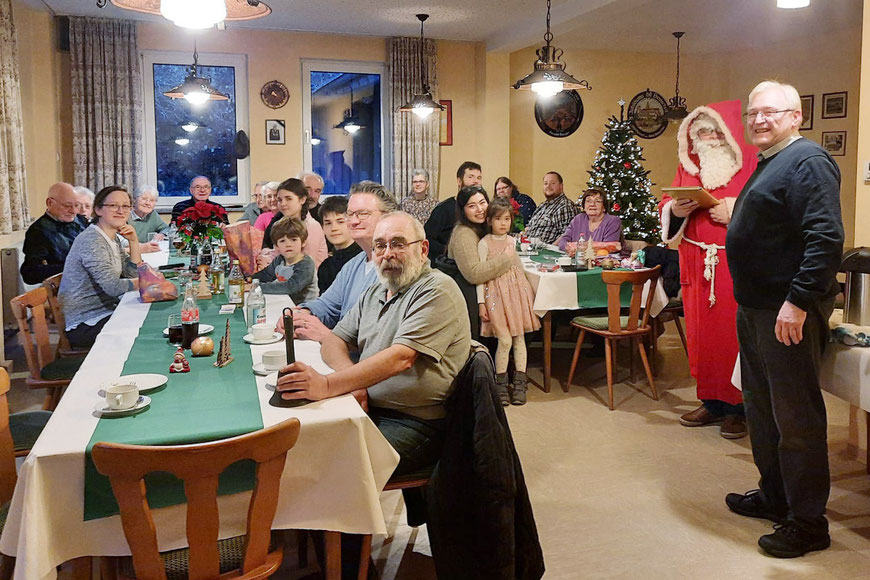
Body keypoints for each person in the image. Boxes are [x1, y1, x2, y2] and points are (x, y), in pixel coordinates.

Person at [725, 81, 844, 558]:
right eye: (753, 112)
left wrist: (796, 301)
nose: (758, 120)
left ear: (796, 116)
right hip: (755, 309)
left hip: (785, 312)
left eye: (770, 112)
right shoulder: (771, 161)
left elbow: (825, 238)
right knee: (761, 409)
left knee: (796, 419)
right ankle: (776, 497)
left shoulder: (809, 162)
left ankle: (808, 522)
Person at [276, 211, 470, 475]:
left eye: (398, 244)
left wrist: (329, 384)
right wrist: (353, 383)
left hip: (415, 421)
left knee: (330, 470)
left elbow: (402, 358)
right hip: (367, 407)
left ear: (423, 249)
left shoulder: (437, 289)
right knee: (295, 447)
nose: (387, 253)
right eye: (380, 245)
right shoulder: (378, 289)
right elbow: (334, 339)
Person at [659, 100, 758, 439]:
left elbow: (769, 208)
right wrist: (676, 206)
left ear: (728, 132)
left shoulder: (751, 166)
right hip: (697, 263)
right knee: (701, 335)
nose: (708, 137)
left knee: (734, 335)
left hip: (734, 265)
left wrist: (735, 210)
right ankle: (711, 400)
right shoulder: (689, 167)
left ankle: (739, 408)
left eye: (715, 130)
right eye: (701, 131)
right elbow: (667, 205)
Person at [277, 183, 399, 342]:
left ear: (387, 217)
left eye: (362, 214)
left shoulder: (397, 267)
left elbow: (381, 335)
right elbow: (327, 305)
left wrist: (329, 337)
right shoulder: (354, 265)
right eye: (350, 214)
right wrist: (301, 313)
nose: (354, 221)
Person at [59, 185, 141, 349]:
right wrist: (146, 282)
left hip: (107, 311)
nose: (120, 210)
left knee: (146, 319)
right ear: (98, 209)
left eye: (125, 206)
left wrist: (134, 241)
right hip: (86, 323)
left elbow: (131, 273)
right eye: (113, 205)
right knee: (143, 330)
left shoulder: (113, 237)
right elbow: (113, 287)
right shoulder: (92, 240)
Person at [477, 199, 540, 405]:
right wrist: (481, 303)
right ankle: (500, 384)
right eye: (498, 219)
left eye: (507, 219)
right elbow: (480, 275)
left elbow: (518, 266)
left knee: (519, 338)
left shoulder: (512, 242)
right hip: (495, 296)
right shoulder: (484, 243)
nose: (503, 223)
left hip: (515, 295)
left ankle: (520, 383)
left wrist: (529, 293)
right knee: (504, 340)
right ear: (489, 220)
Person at [446, 186, 513, 339]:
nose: (480, 209)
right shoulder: (464, 233)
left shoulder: (480, 227)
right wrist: (506, 258)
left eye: (482, 202)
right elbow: (474, 274)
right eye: (472, 206)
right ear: (463, 210)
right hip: (465, 293)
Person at [20, 182, 86, 284]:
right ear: (50, 203)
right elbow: (30, 274)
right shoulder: (38, 231)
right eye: (67, 206)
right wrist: (73, 266)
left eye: (76, 205)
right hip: (64, 289)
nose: (73, 211)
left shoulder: (81, 221)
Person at [258, 178, 328, 267]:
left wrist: (270, 264)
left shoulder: (312, 226)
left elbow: (305, 265)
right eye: (280, 200)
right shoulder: (281, 223)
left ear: (302, 200)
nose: (283, 204)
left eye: (288, 199)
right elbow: (277, 253)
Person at [253, 216, 318, 304]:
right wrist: (249, 280)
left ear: (303, 242)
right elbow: (266, 275)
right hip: (283, 303)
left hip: (304, 309)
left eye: (293, 240)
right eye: (282, 241)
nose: (288, 244)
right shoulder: (279, 260)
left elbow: (292, 287)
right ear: (277, 246)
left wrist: (257, 287)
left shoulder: (306, 264)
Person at [424, 161, 482, 259]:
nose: (476, 181)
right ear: (459, 181)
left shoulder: (482, 209)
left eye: (479, 178)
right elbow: (428, 238)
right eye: (471, 177)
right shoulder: (443, 209)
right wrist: (448, 252)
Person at [317, 195, 362, 294]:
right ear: (322, 228)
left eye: (340, 222)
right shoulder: (326, 267)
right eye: (328, 223)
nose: (334, 228)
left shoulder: (363, 259)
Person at [557, 188, 623, 251]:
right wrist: (568, 247)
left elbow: (608, 247)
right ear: (584, 206)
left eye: (598, 201)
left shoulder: (613, 221)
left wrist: (579, 248)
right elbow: (563, 240)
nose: (592, 204)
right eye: (588, 201)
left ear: (604, 207)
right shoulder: (578, 219)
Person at [523, 172, 579, 244]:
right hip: (530, 249)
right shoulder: (542, 205)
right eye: (545, 183)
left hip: (547, 253)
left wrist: (550, 249)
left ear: (561, 186)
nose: (548, 186)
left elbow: (567, 235)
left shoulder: (565, 206)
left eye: (552, 183)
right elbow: (529, 228)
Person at [128, 185, 169, 251]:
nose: (147, 203)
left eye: (152, 200)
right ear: (134, 199)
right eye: (144, 199)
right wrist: (141, 247)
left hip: (148, 252)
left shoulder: (153, 214)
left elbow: (166, 228)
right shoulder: (125, 215)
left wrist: (162, 234)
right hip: (131, 252)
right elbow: (119, 239)